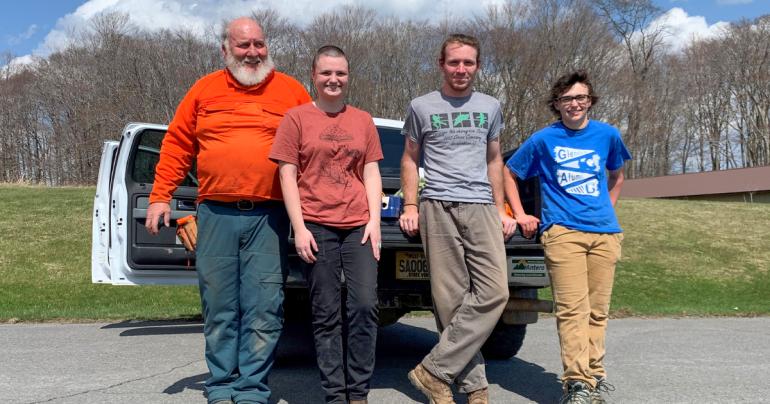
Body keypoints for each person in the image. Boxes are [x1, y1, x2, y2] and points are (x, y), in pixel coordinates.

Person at [144, 16, 311, 404]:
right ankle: (221, 386)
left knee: (264, 306)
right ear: (225, 50)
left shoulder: (291, 91)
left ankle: (252, 389)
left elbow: (312, 150)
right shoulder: (204, 90)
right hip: (215, 214)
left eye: (259, 44)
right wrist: (159, 196)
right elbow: (177, 144)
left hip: (270, 216)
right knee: (219, 304)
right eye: (243, 45)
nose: (253, 52)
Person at [399, 33, 517, 404]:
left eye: (468, 62)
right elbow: (409, 159)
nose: (461, 69)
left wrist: (500, 208)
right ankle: (475, 387)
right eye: (454, 62)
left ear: (477, 66)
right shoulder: (421, 106)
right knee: (450, 300)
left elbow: (494, 159)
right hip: (438, 205)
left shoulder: (491, 106)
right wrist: (410, 205)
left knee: (495, 291)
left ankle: (434, 369)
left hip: (481, 205)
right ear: (441, 65)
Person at [503, 70, 631, 404]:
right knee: (573, 309)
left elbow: (617, 174)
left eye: (581, 98)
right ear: (557, 104)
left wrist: (609, 210)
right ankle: (576, 383)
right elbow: (509, 172)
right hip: (563, 232)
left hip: (605, 234)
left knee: (597, 311)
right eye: (567, 99)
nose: (574, 104)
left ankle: (594, 376)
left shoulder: (607, 135)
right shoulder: (544, 139)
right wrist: (519, 213)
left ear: (590, 101)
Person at [269, 45, 382, 404]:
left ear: (348, 76)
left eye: (341, 73)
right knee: (326, 310)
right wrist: (299, 227)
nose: (334, 79)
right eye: (326, 73)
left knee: (364, 305)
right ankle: (336, 393)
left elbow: (370, 170)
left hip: (359, 224)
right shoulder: (297, 118)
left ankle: (359, 392)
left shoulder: (362, 120)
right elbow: (287, 175)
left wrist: (375, 221)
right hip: (316, 223)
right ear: (314, 76)